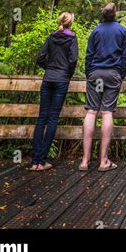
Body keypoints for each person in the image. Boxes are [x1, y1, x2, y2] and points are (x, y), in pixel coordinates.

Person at [79, 2, 126, 172]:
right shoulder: (122, 31)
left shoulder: (96, 30)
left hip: (95, 73)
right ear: (115, 14)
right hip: (112, 73)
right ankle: (103, 161)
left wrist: (89, 73)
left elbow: (89, 54)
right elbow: (125, 55)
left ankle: (85, 161)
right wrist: (121, 74)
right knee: (107, 112)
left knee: (92, 111)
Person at [30, 11, 78, 171]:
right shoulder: (72, 38)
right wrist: (66, 74)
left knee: (41, 118)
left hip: (48, 78)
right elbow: (73, 60)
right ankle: (42, 161)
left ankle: (35, 161)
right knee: (52, 119)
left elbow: (40, 58)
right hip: (61, 80)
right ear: (70, 23)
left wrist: (49, 69)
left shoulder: (51, 37)